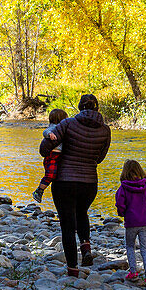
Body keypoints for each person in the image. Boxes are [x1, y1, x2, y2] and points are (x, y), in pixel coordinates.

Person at [41, 93, 111, 277]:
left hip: (65, 181)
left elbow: (44, 149)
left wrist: (53, 145)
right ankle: (86, 247)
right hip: (89, 182)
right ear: (97, 108)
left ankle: (73, 269)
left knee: (67, 226)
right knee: (81, 212)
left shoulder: (68, 123)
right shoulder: (105, 130)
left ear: (80, 107)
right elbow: (100, 158)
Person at [115, 159, 146, 288]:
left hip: (131, 223)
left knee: (130, 247)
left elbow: (120, 203)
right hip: (145, 223)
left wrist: (122, 213)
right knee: (145, 249)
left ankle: (133, 272)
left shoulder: (123, 187)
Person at [33, 108, 69, 202]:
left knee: (57, 175)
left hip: (59, 155)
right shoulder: (54, 127)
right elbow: (45, 132)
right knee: (50, 174)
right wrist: (50, 134)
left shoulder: (62, 127)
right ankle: (39, 190)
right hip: (52, 155)